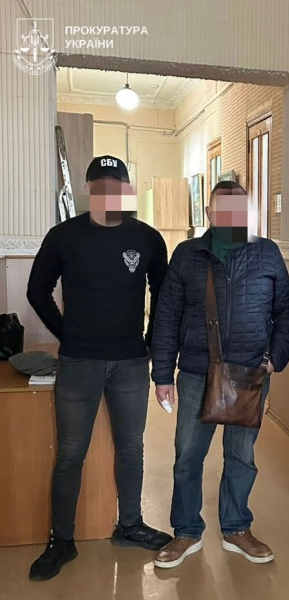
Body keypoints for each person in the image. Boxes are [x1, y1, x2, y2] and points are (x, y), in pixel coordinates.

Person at [26, 155, 172, 581]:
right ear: (89, 190)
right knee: (71, 452)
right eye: (100, 185)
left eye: (116, 185)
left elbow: (164, 294)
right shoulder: (64, 236)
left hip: (130, 362)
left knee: (132, 448)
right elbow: (37, 291)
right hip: (79, 362)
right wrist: (66, 333)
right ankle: (62, 539)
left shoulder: (147, 238)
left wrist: (151, 343)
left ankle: (130, 524)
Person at [151, 181, 289, 569]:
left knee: (241, 456)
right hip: (197, 372)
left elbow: (285, 311)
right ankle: (186, 531)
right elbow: (166, 316)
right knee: (187, 455)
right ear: (210, 214)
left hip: (250, 373)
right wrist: (162, 374)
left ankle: (236, 527)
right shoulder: (187, 254)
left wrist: (275, 359)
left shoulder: (267, 253)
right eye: (223, 209)